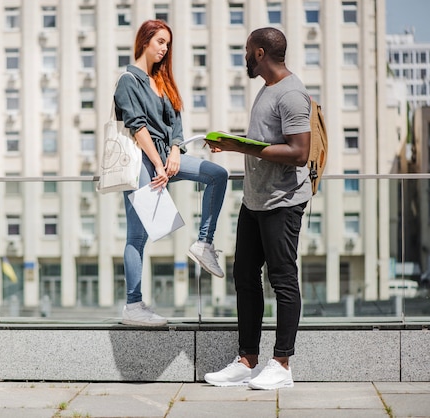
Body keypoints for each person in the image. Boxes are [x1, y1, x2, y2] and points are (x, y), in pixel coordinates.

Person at [204, 27, 312, 389]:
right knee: (244, 277)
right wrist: (235, 141)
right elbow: (267, 141)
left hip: (282, 202)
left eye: (247, 50)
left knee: (282, 279)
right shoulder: (267, 90)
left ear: (261, 53)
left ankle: (281, 365)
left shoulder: (292, 94)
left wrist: (240, 148)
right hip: (255, 200)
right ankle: (247, 360)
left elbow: (300, 153)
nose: (244, 56)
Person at [114, 19, 228, 326]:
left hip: (168, 160)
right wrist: (159, 164)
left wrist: (175, 151)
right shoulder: (128, 80)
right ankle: (133, 306)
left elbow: (176, 125)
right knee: (137, 236)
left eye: (167, 44)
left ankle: (204, 243)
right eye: (160, 42)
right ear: (144, 41)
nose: (164, 49)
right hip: (142, 163)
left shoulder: (163, 81)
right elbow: (137, 127)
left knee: (217, 175)